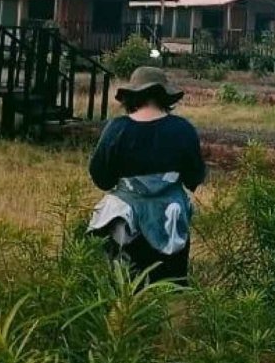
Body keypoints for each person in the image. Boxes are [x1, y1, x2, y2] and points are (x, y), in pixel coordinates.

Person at [87, 66, 205, 284]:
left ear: (132, 96)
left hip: (124, 221)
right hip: (171, 221)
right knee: (171, 289)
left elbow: (101, 177)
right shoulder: (182, 129)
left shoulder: (117, 129)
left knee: (124, 291)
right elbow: (195, 176)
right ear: (165, 96)